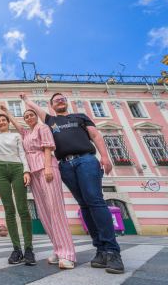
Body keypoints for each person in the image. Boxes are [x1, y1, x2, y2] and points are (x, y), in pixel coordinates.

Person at [19, 92, 124, 274]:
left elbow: (96, 136)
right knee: (84, 205)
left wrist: (105, 157)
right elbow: (35, 110)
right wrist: (26, 100)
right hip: (65, 165)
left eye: (62, 99)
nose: (60, 101)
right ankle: (100, 249)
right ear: (51, 105)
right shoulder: (51, 120)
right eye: (56, 100)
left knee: (95, 201)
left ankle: (112, 252)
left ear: (66, 103)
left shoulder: (80, 117)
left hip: (86, 160)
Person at [1, 104, 76, 269]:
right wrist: (7, 112)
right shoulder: (27, 133)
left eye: (31, 115)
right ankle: (58, 249)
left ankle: (68, 254)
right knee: (43, 213)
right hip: (34, 173)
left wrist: (48, 166)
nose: (28, 118)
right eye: (26, 116)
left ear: (36, 116)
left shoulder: (43, 128)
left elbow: (48, 147)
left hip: (46, 168)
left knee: (55, 210)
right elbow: (17, 126)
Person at [0, 100, 36, 266]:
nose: (0, 122)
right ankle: (16, 249)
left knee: (22, 208)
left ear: (7, 122)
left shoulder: (16, 136)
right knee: (9, 209)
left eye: (3, 120)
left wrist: (26, 171)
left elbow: (22, 153)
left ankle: (28, 249)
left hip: (17, 169)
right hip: (0, 170)